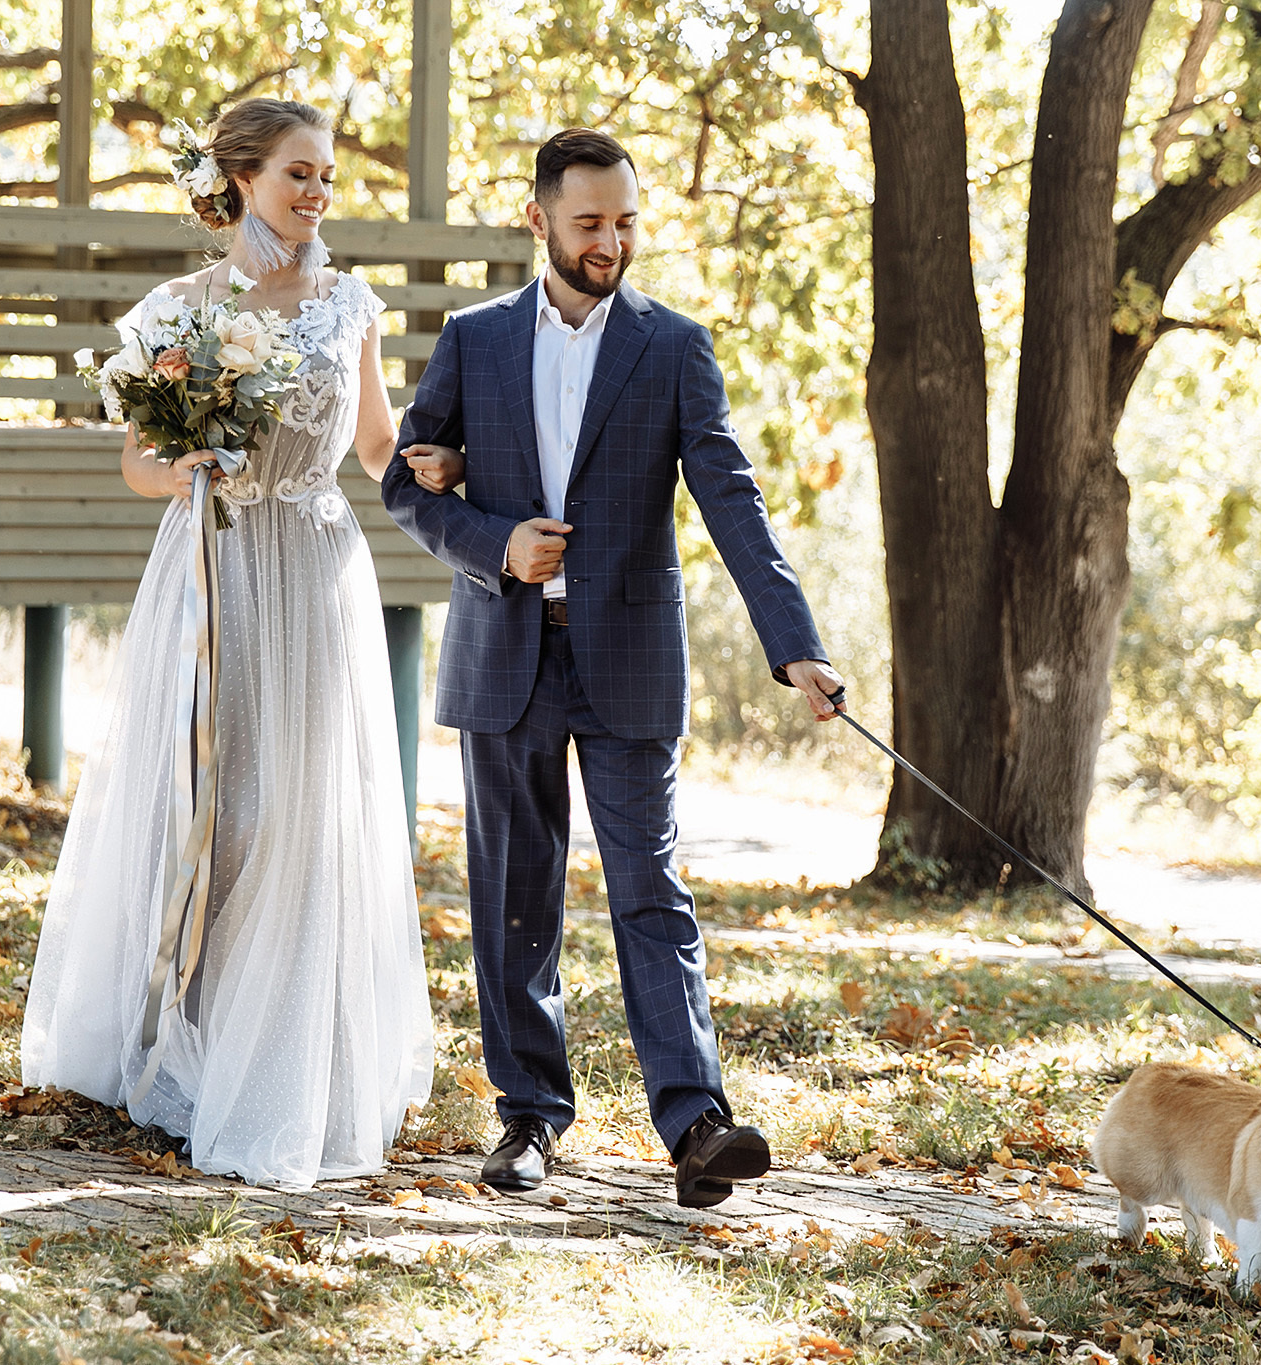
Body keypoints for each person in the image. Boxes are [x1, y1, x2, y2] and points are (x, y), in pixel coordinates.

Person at [381, 127, 845, 1210]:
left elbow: (732, 499)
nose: (611, 241)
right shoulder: (473, 338)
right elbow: (411, 488)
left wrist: (796, 646)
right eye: (589, 222)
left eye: (626, 221)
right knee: (513, 895)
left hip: (629, 660)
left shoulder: (672, 346)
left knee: (651, 890)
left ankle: (694, 1124)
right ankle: (527, 1119)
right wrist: (495, 541)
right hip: (505, 653)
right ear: (536, 218)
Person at [21, 98, 452, 1188]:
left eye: (327, 179)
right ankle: (187, 1046)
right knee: (208, 799)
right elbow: (135, 462)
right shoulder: (179, 307)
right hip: (209, 564)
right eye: (298, 174)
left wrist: (440, 474)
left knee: (293, 811)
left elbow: (373, 443)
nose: (316, 195)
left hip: (310, 566)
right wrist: (188, 468)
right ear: (243, 179)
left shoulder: (350, 302)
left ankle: (286, 1058)